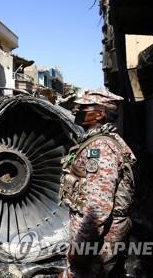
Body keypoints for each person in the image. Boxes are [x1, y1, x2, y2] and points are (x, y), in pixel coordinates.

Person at [59, 89, 137, 278]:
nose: (78, 111)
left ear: (100, 114)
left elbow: (98, 208)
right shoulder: (99, 141)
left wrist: (79, 247)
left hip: (100, 237)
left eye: (84, 108)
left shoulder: (100, 147)